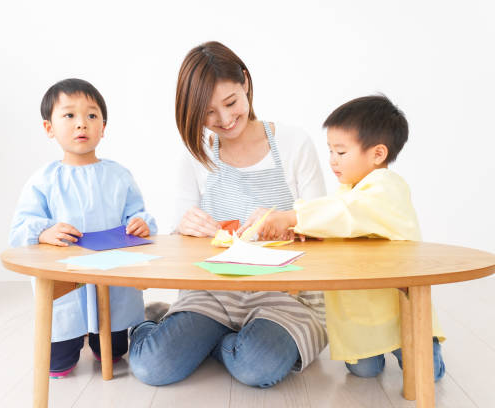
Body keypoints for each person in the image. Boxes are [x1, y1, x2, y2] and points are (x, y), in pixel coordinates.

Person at [128, 41, 328, 388]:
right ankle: (152, 323)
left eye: (231, 103)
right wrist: (184, 228)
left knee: (257, 367)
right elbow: (179, 242)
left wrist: (288, 220)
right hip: (213, 292)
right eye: (208, 113)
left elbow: (325, 225)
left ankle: (208, 343)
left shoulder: (295, 143)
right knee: (152, 367)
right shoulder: (196, 155)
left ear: (246, 82)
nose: (224, 119)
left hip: (286, 295)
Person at [242, 95, 446, 380]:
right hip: (361, 311)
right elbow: (334, 223)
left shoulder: (386, 188)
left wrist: (292, 216)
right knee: (364, 371)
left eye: (341, 152)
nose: (332, 161)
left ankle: (425, 344)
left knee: (427, 373)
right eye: (330, 151)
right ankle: (374, 352)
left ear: (377, 154)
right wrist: (304, 231)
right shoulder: (347, 190)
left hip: (397, 307)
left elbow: (346, 214)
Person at [9, 78, 157, 378]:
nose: (82, 124)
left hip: (112, 281)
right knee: (57, 364)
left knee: (114, 353)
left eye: (91, 116)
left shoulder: (119, 175)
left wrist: (140, 224)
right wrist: (43, 231)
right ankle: (73, 339)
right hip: (67, 285)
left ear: (103, 127)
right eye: (69, 115)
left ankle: (127, 330)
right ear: (49, 128)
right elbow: (20, 227)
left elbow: (139, 215)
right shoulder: (44, 180)